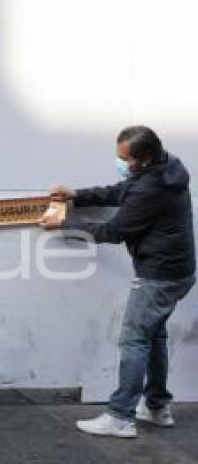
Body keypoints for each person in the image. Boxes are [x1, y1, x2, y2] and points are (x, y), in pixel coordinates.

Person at [40, 125, 195, 438]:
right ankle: (156, 405)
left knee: (135, 339)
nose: (121, 163)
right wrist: (78, 196)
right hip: (177, 271)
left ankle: (120, 416)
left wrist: (65, 224)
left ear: (145, 157)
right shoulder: (167, 166)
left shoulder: (151, 189)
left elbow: (113, 231)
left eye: (125, 159)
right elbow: (120, 191)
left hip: (159, 276)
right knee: (153, 337)